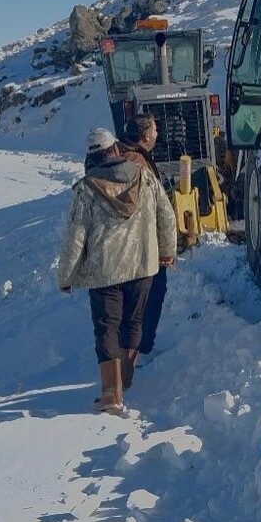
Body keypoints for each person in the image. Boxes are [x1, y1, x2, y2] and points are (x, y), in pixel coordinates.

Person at [58, 127, 176, 416]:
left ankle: (112, 394)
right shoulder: (144, 175)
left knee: (106, 327)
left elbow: (75, 236)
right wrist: (166, 251)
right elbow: (166, 214)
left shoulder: (87, 188)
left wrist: (66, 276)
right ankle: (127, 377)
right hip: (142, 266)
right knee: (133, 322)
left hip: (104, 272)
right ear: (114, 149)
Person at [118, 114, 168, 388]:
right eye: (155, 129)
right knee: (149, 293)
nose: (158, 134)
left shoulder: (125, 155)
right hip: (141, 242)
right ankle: (139, 351)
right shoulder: (137, 163)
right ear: (145, 135)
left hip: (130, 241)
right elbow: (151, 206)